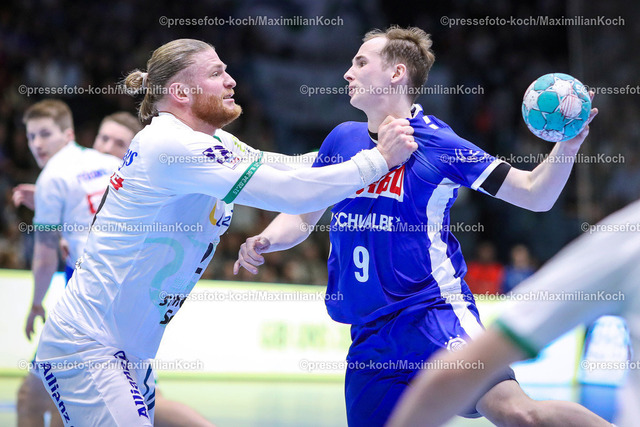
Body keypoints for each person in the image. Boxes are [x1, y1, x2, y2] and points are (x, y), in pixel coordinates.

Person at [33, 38, 416, 426]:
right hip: (88, 345)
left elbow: (288, 167)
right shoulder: (170, 144)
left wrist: (365, 142)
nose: (231, 81)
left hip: (129, 352)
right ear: (181, 92)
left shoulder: (212, 141)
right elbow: (291, 192)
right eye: (216, 73)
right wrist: (379, 159)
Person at [234, 27, 605, 426]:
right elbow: (304, 213)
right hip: (370, 336)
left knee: (518, 413)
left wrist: (568, 146)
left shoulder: (439, 144)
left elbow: (534, 193)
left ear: (396, 73)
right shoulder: (342, 140)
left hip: (432, 315)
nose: (347, 72)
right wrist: (268, 238)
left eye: (361, 62)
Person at [16, 108, 215, 427]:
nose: (108, 148)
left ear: (68, 135)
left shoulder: (67, 174)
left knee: (38, 396)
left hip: (99, 304)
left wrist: (36, 303)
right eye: (103, 138)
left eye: (119, 143)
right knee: (62, 401)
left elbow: (46, 253)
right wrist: (47, 201)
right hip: (122, 298)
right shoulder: (114, 170)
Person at [387, 199, 639, 427]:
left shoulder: (629, 237)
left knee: (519, 413)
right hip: (381, 336)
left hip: (437, 318)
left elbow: (537, 192)